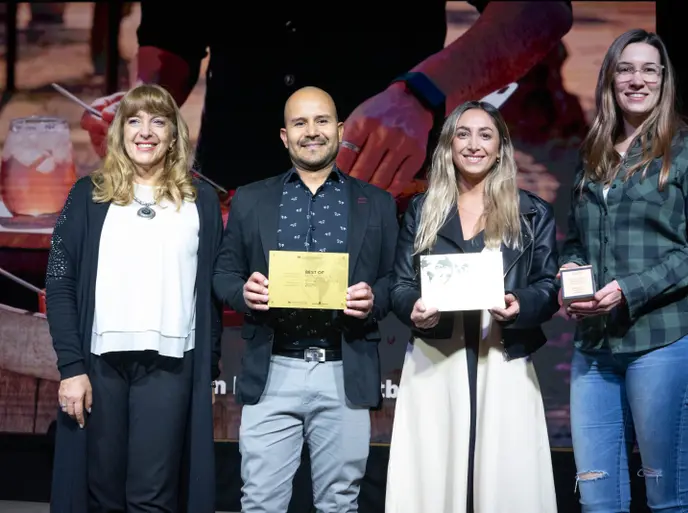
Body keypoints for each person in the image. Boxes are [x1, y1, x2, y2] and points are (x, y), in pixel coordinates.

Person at [80, 2, 573, 197]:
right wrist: (147, 106)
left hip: (390, 199)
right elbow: (171, 36)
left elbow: (540, 10)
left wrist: (422, 93)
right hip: (236, 198)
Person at [559, 29, 688, 512]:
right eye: (626, 69)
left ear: (663, 79)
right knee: (598, 502)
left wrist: (629, 289)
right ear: (610, 79)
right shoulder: (592, 155)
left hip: (667, 340)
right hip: (596, 350)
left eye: (648, 70)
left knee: (668, 500)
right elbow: (576, 242)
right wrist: (570, 276)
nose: (637, 80)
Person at [212, 86, 399, 512]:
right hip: (272, 370)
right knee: (260, 503)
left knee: (339, 504)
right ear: (285, 136)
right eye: (300, 123)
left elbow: (396, 281)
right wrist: (243, 293)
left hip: (344, 370)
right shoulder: (251, 199)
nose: (311, 131)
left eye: (321, 121)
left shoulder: (377, 203)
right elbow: (223, 274)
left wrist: (374, 298)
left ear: (340, 130)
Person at [45, 84, 223, 513]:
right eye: (134, 121)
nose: (146, 131)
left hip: (171, 366)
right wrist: (71, 368)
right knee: (102, 497)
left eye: (158, 121)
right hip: (100, 366)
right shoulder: (88, 194)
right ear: (119, 132)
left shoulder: (200, 201)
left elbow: (211, 294)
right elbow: (59, 281)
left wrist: (209, 369)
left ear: (174, 134)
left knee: (152, 498)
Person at [387, 100, 560, 513]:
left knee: (507, 480)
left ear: (500, 148)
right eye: (462, 134)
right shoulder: (422, 210)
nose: (473, 145)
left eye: (485, 135)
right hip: (436, 357)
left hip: (502, 356)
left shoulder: (532, 213)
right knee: (430, 478)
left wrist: (520, 304)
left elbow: (547, 286)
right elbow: (400, 285)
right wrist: (413, 308)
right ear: (448, 145)